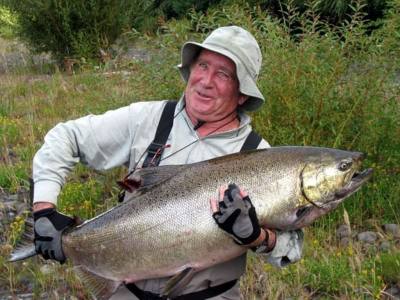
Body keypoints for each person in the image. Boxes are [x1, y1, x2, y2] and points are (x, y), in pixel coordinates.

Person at [32, 26, 304, 299]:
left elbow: (291, 249)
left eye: (223, 74)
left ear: (242, 93)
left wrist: (257, 237)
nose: (206, 81)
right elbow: (65, 137)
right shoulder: (146, 119)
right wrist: (44, 210)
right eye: (203, 65)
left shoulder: (261, 156)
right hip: (127, 291)